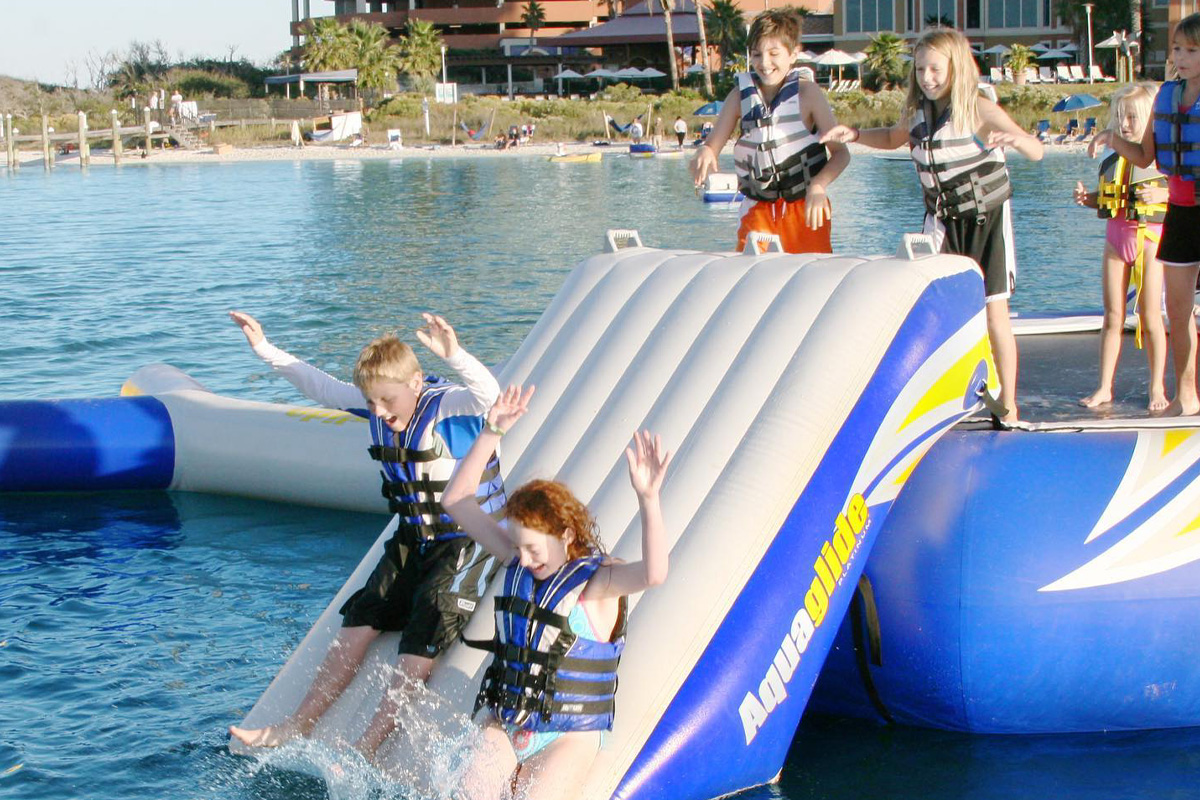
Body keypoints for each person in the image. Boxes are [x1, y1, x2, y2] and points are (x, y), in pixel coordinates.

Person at [227, 311, 506, 752]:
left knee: (429, 617)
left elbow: (489, 395)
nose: (377, 411)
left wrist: (456, 355)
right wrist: (265, 349)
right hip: (414, 536)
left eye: (386, 401)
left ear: (414, 384)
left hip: (467, 539)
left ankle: (369, 743)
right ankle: (298, 724)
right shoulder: (377, 405)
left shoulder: (448, 405)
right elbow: (316, 384)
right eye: (371, 401)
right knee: (362, 614)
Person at [442, 385, 671, 800]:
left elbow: (654, 574)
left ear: (566, 536)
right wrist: (492, 430)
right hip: (505, 722)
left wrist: (649, 499)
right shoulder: (518, 559)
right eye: (519, 545)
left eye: (534, 547)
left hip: (569, 734)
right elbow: (456, 500)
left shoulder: (597, 583)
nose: (524, 558)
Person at [820, 28, 1044, 424]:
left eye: (936, 69)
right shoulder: (917, 113)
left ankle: (1009, 401)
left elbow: (1037, 151)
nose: (927, 77)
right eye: (921, 69)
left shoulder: (978, 109)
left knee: (994, 312)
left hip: (985, 220)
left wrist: (1017, 139)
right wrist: (853, 134)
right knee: (934, 306)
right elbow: (891, 138)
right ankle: (942, 392)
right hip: (941, 221)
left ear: (956, 68)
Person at [1090, 13, 1200, 416]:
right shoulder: (1167, 97)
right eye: (1176, 49)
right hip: (1181, 214)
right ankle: (1186, 395)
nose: (1181, 57)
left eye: (1192, 50)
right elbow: (1145, 155)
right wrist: (1112, 138)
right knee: (1179, 309)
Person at [690, 8, 850, 255]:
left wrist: (818, 185)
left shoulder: (809, 95)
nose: (764, 63)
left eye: (774, 53)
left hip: (804, 209)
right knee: (751, 277)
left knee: (808, 280)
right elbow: (713, 144)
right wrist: (705, 152)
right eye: (756, 54)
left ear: (793, 54)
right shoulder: (738, 97)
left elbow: (841, 153)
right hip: (757, 209)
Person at [1073, 84, 1169, 412]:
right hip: (1115, 241)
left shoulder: (1162, 163)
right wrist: (1089, 200)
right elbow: (1108, 204)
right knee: (1113, 316)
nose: (1124, 123)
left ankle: (1157, 386)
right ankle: (1104, 387)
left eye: (1132, 117)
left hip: (1149, 242)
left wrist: (1164, 197)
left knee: (1150, 316)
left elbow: (1184, 202)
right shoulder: (1111, 163)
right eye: (1119, 117)